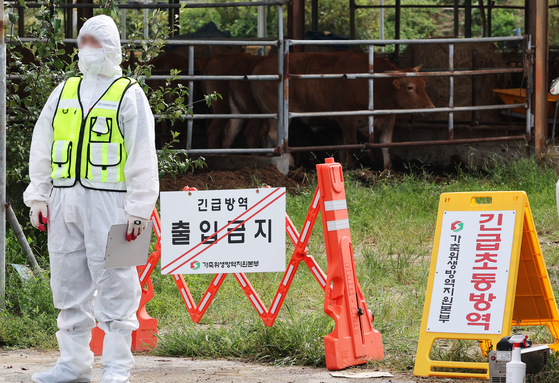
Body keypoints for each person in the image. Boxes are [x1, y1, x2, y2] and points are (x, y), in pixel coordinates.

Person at [23, 15, 159, 383]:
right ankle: (72, 364)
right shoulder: (64, 91)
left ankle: (116, 367)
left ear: (112, 47)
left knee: (118, 283)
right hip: (65, 201)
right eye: (82, 41)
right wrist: (39, 195)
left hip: (114, 206)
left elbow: (143, 155)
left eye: (95, 42)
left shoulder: (129, 94)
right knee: (67, 282)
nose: (87, 49)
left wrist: (139, 210)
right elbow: (42, 144)